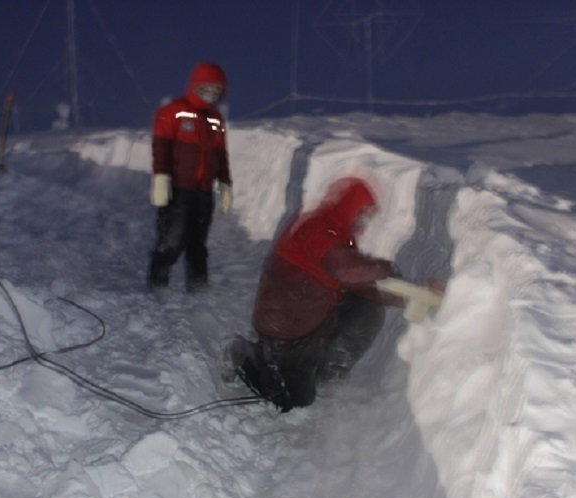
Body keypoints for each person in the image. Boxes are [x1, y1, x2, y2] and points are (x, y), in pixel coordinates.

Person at [235, 177, 438, 412]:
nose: (363, 222)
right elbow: (344, 270)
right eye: (361, 213)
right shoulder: (312, 226)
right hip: (282, 332)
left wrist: (415, 294)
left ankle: (327, 377)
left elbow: (366, 286)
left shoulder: (339, 237)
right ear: (348, 206)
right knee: (294, 399)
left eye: (367, 216)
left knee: (367, 309)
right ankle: (244, 356)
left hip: (311, 326)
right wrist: (382, 267)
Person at [147, 62, 232, 293]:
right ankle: (157, 284)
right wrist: (161, 178)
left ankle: (198, 289)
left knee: (198, 245)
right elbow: (161, 147)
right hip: (178, 191)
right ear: (195, 86)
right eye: (206, 89)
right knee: (172, 241)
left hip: (203, 192)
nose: (210, 95)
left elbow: (220, 155)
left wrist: (225, 183)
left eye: (216, 91)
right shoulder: (173, 111)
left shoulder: (216, 119)